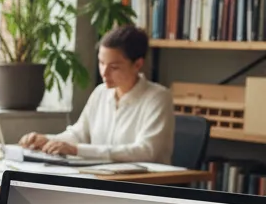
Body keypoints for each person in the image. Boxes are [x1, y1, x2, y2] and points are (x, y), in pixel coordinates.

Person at [19, 25, 174, 163]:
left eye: (114, 67)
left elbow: (146, 151)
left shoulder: (158, 97)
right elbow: (79, 134)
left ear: (137, 64)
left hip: (143, 186)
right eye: (101, 63)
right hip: (102, 178)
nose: (104, 73)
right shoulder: (101, 93)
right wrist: (48, 140)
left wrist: (77, 150)